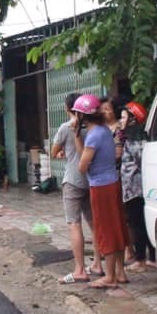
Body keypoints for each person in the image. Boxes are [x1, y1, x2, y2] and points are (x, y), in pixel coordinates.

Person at [74, 95, 129, 289]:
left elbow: (82, 166)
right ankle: (120, 273)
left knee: (106, 230)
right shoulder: (104, 131)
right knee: (117, 227)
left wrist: (77, 140)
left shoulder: (94, 135)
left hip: (100, 187)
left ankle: (110, 276)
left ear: (82, 116)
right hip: (112, 182)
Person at [52, 93, 101, 284]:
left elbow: (53, 151)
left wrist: (63, 150)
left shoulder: (66, 128)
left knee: (74, 224)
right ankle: (97, 264)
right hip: (91, 180)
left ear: (67, 109)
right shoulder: (93, 127)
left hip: (73, 180)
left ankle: (80, 269)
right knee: (94, 224)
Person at [120, 102, 155, 272]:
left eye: (124, 117)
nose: (121, 120)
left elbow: (142, 163)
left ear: (133, 120)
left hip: (136, 190)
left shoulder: (136, 140)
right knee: (139, 223)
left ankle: (141, 259)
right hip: (133, 189)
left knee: (137, 224)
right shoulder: (131, 137)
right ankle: (149, 258)